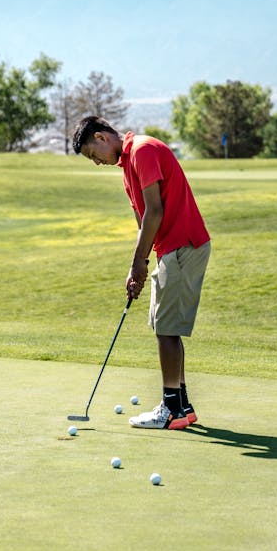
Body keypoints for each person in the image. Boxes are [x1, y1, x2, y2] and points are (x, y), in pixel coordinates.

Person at [72, 116, 211, 430]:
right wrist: (139, 266)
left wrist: (138, 263)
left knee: (166, 329)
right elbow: (143, 221)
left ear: (101, 137)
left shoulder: (143, 150)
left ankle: (171, 409)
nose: (96, 163)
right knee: (165, 327)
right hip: (170, 249)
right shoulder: (127, 167)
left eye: (94, 155)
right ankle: (182, 405)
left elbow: (155, 211)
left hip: (183, 244)